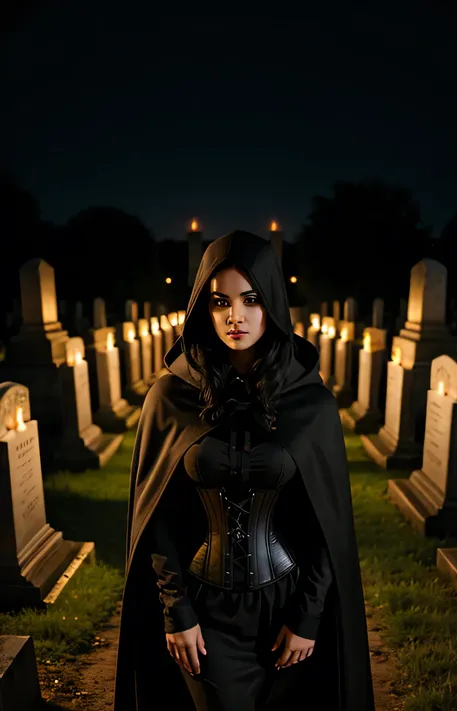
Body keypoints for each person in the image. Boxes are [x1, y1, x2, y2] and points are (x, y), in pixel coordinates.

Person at [113, 230, 374, 711]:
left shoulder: (309, 404)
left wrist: (309, 617)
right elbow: (158, 520)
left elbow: (327, 529)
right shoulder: (170, 398)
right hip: (203, 614)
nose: (235, 316)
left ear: (270, 302)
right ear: (203, 309)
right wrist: (177, 612)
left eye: (250, 299)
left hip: (287, 610)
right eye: (220, 302)